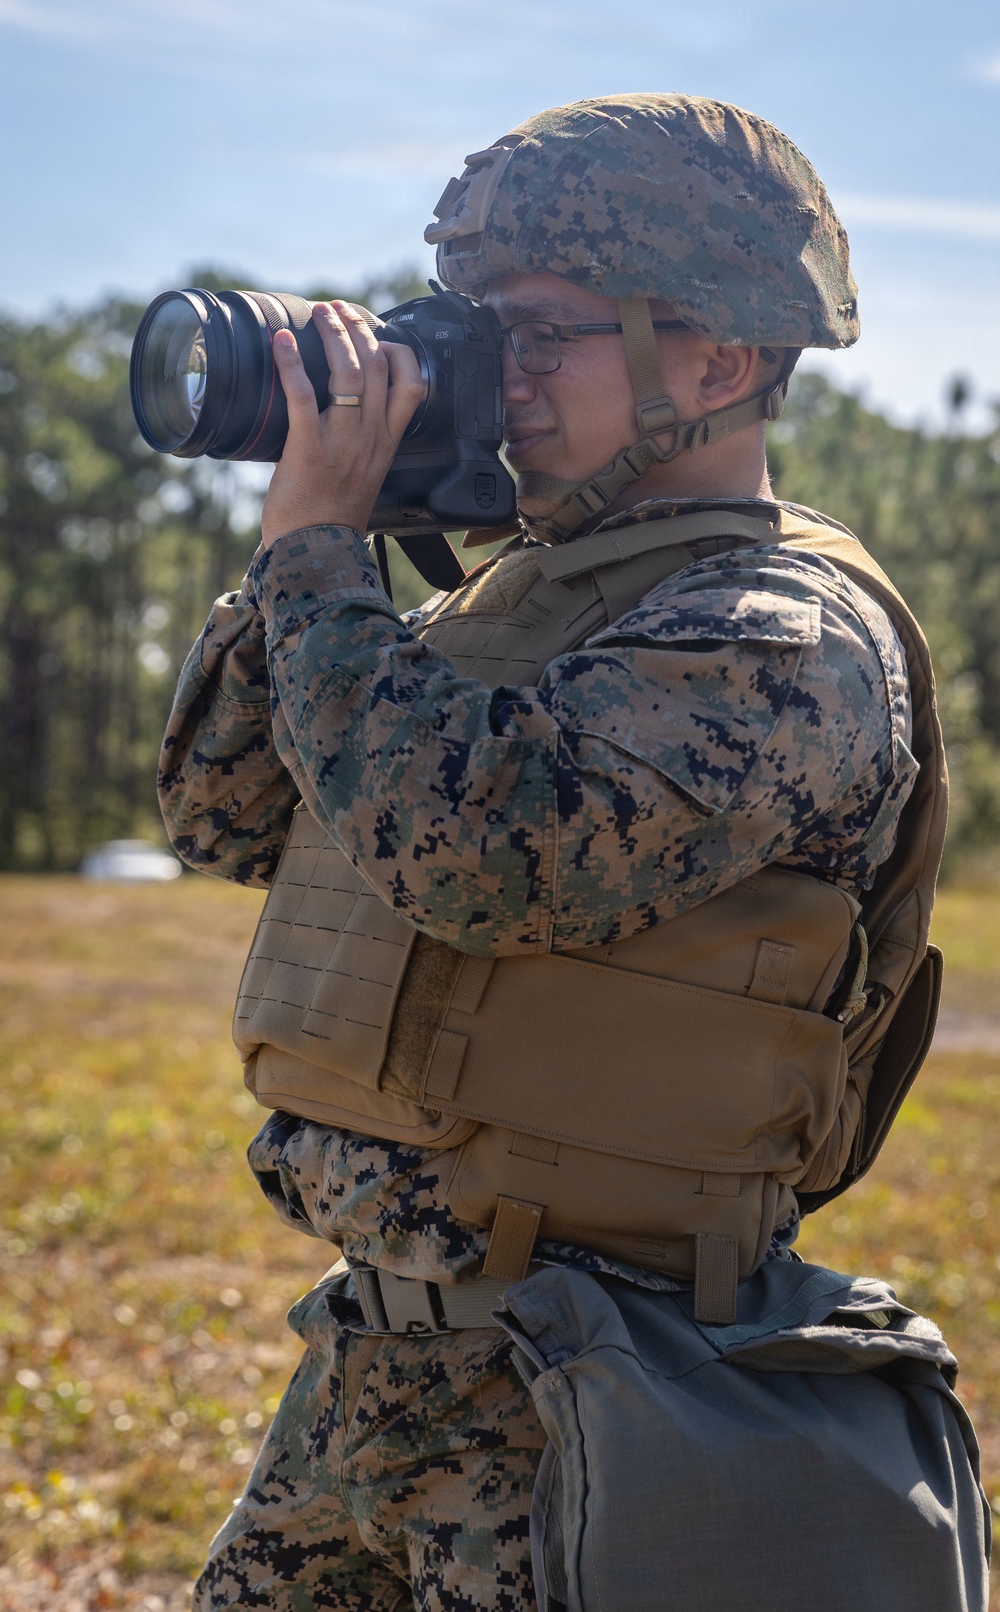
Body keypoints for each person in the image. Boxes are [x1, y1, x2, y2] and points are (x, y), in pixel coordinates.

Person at [159, 95, 985, 1611]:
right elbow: (222, 814)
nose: (495, 372)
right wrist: (326, 533)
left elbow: (486, 856)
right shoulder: (506, 602)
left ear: (718, 361)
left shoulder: (775, 639)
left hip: (598, 1383)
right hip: (379, 1360)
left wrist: (322, 565)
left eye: (544, 335)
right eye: (481, 329)